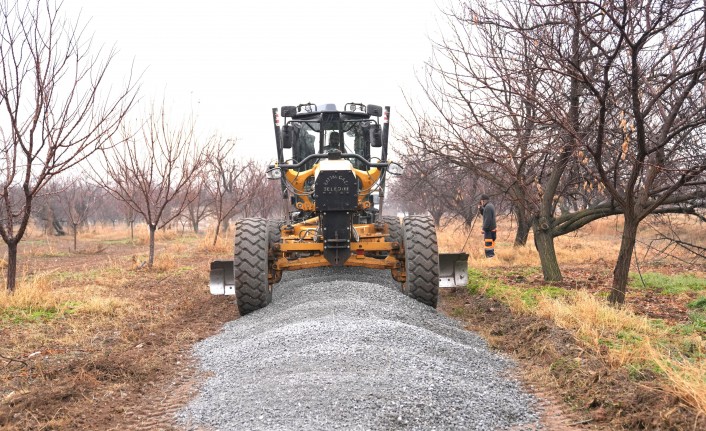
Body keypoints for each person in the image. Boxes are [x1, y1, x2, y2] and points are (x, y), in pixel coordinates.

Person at [478, 194, 496, 258]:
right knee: (491, 246)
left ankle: (490, 258)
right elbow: (485, 214)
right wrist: (480, 209)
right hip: (492, 229)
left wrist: (484, 228)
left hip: (489, 230)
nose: (481, 202)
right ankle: (491, 258)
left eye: (481, 201)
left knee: (488, 246)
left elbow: (487, 219)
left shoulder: (488, 207)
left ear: (483, 201)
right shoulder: (489, 206)